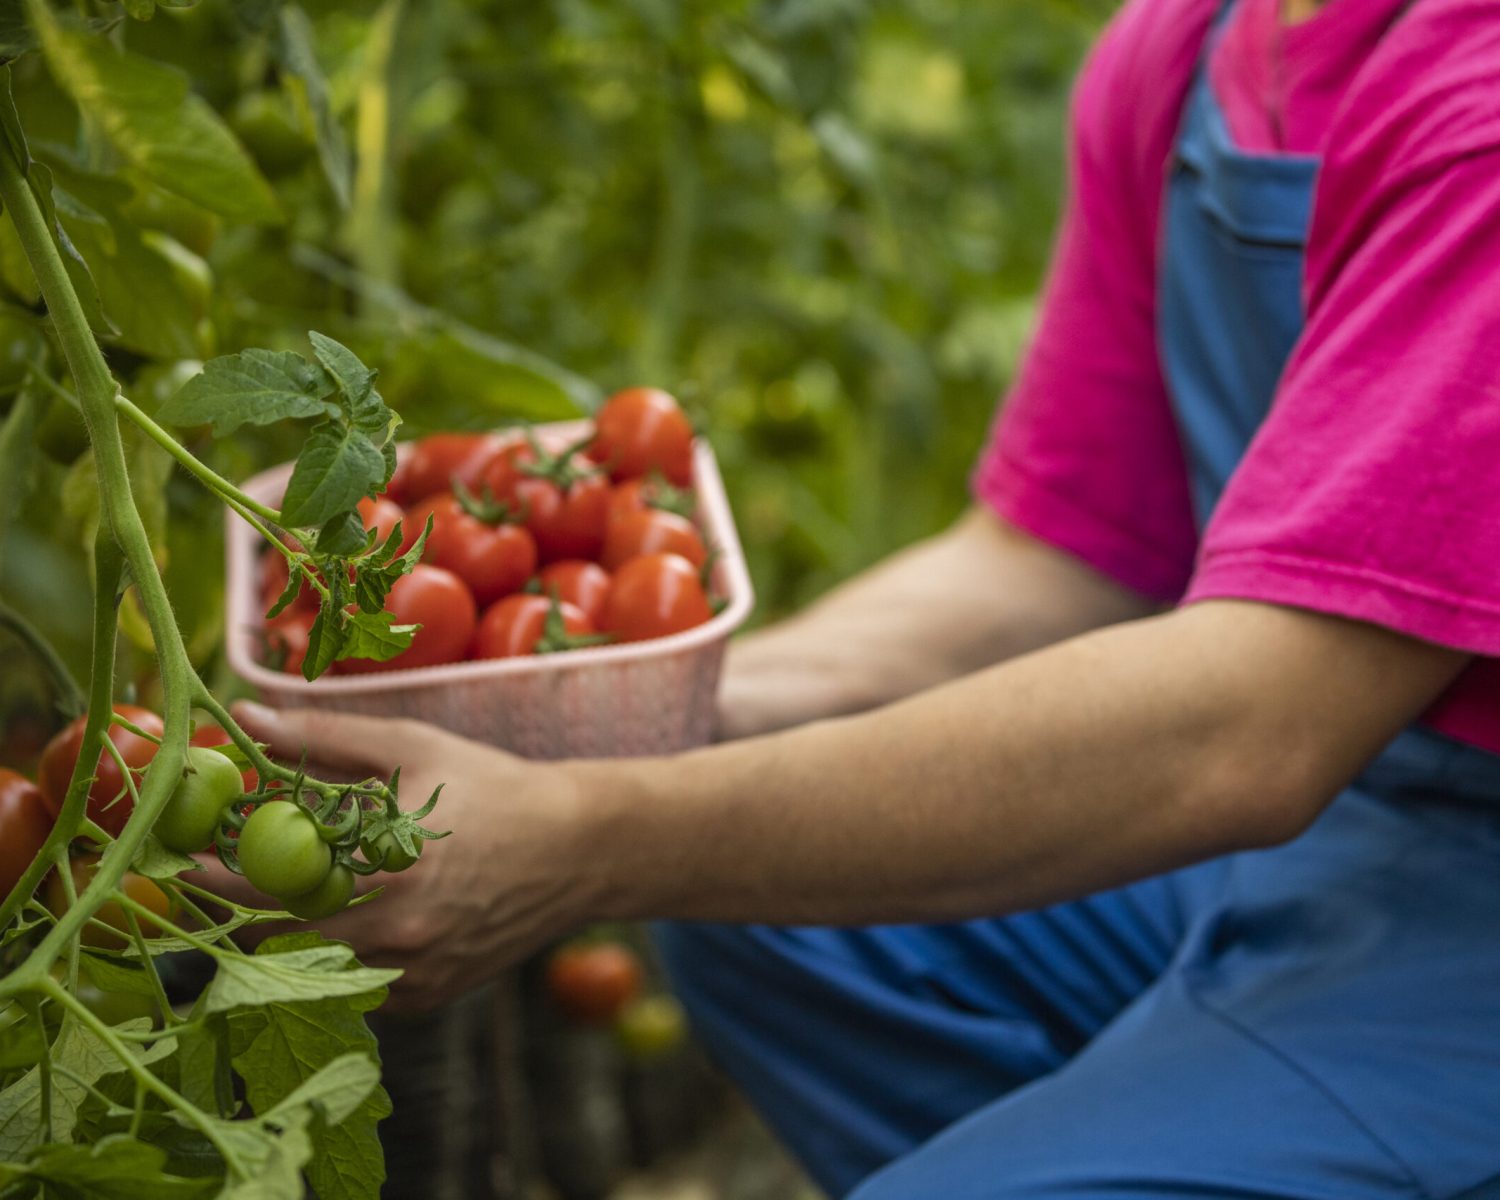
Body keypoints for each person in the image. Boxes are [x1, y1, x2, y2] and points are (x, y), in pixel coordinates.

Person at [221, 0, 1500, 1194]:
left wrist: (585, 832)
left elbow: (1251, 729)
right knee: (775, 905)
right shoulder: (1190, 49)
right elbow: (1057, 556)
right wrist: (619, 708)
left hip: (1459, 931)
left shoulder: (1475, 108)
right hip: (1329, 840)